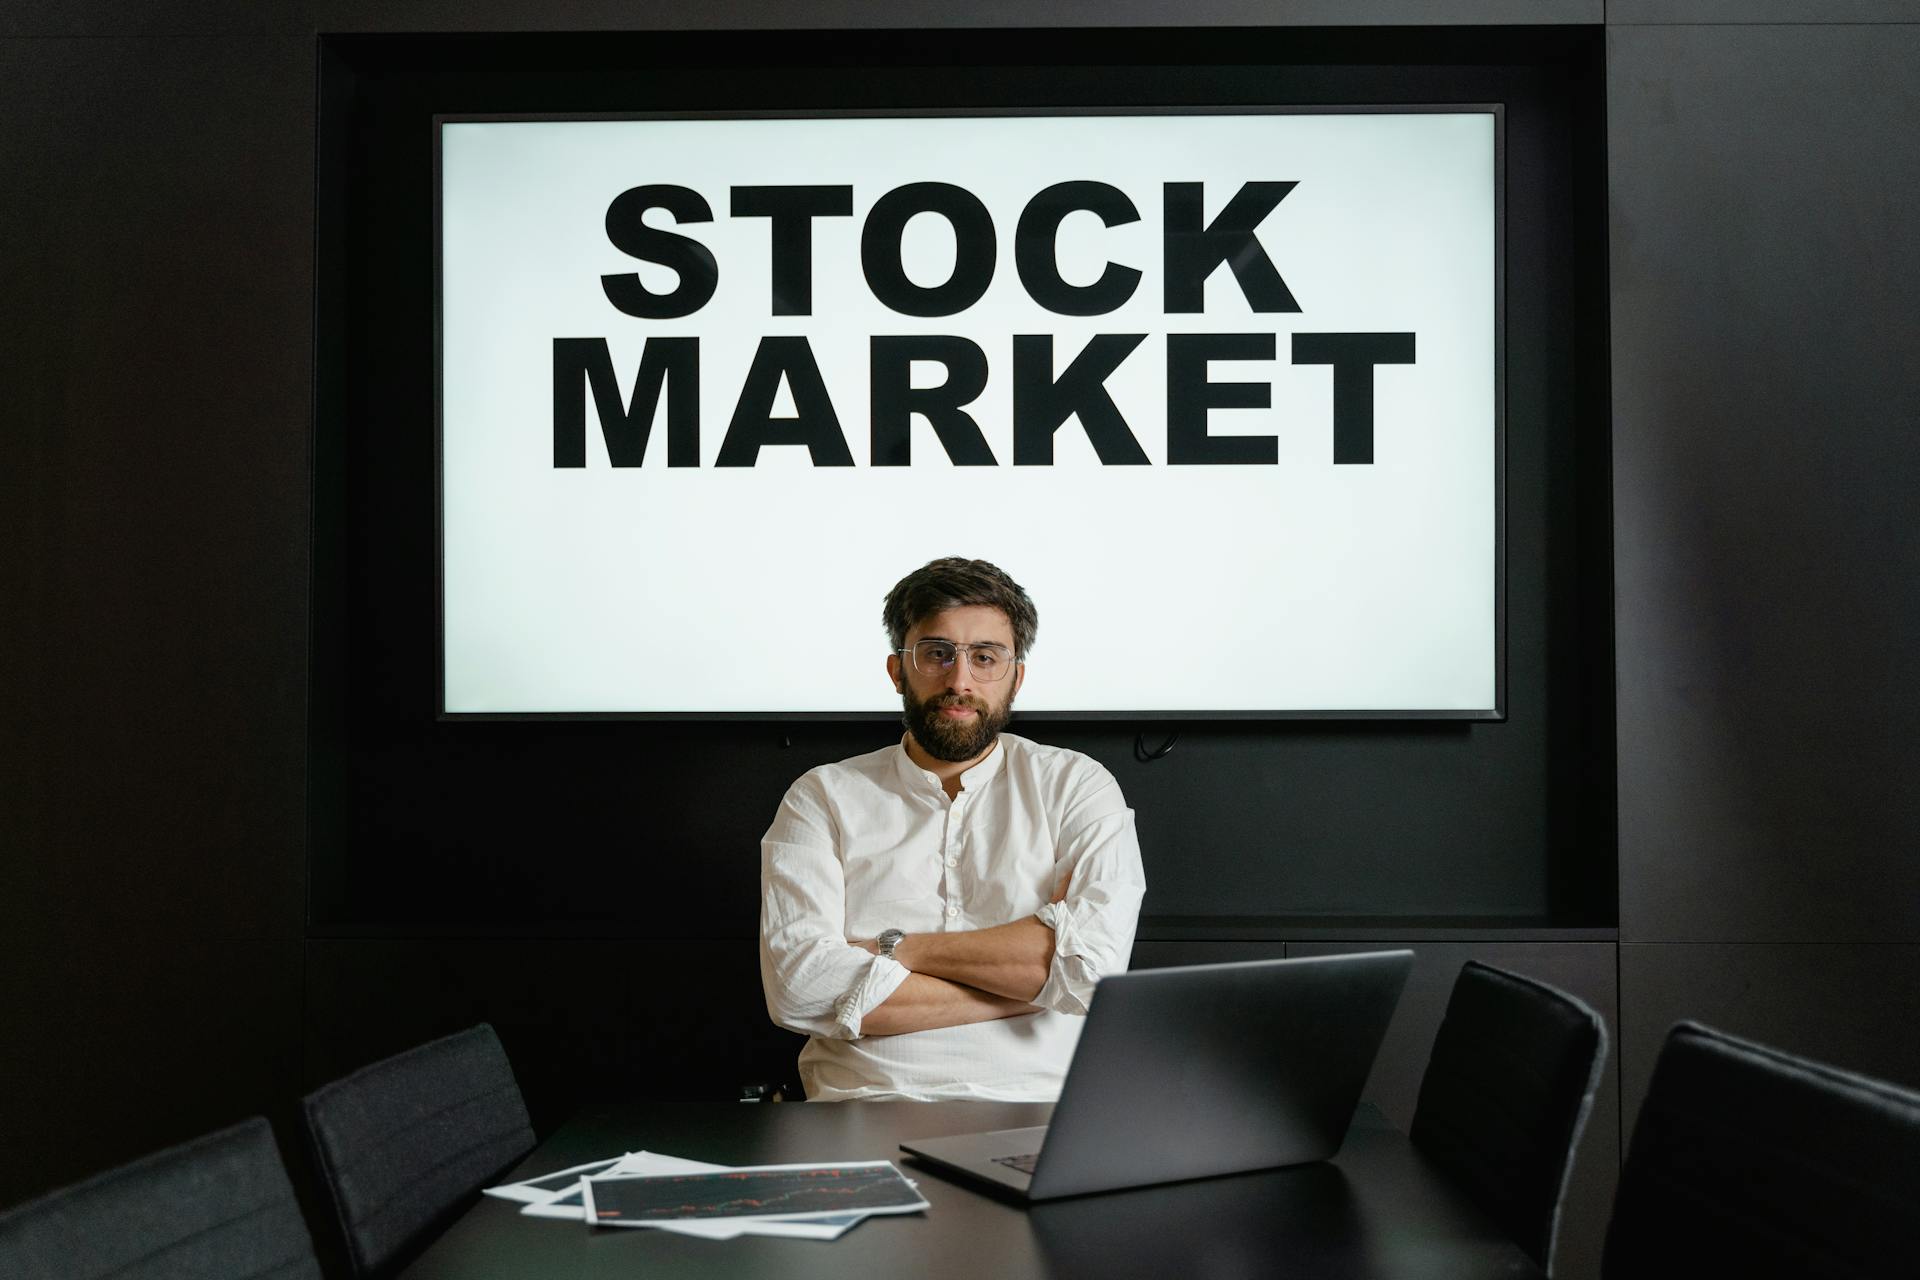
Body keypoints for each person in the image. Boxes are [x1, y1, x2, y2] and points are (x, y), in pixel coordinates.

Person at [758, 557, 1147, 1101]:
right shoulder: (821, 797)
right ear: (897, 670)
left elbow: (1093, 968)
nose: (960, 680)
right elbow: (800, 990)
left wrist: (897, 949)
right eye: (937, 654)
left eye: (985, 657)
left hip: (1043, 1108)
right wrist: (1037, 986)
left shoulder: (1077, 786)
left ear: (1017, 675)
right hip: (863, 1106)